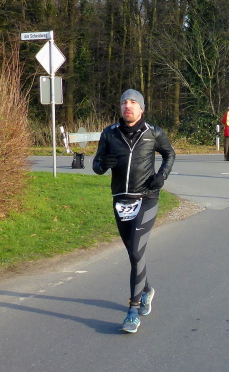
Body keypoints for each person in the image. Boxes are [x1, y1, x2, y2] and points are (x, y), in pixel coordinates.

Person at [93, 89, 176, 334]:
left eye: (132, 102)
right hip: (121, 200)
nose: (127, 106)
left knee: (137, 251)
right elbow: (96, 165)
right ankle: (147, 290)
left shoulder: (153, 132)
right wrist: (103, 164)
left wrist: (162, 176)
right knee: (133, 253)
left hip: (147, 198)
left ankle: (133, 310)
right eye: (123, 102)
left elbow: (169, 153)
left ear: (141, 108)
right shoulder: (109, 133)